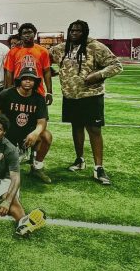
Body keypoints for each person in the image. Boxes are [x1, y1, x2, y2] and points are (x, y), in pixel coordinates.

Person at [49, 20, 123, 186]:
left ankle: (98, 167)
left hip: (91, 95)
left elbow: (116, 65)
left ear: (85, 32)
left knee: (94, 129)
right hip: (70, 95)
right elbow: (44, 58)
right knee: (76, 127)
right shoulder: (62, 48)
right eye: (72, 30)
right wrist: (51, 71)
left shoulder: (96, 46)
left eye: (78, 31)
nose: (74, 33)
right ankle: (79, 159)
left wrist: (98, 75)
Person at [0, 67, 53, 183]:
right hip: (7, 132)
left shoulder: (39, 98)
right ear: (19, 80)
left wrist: (35, 133)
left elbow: (42, 122)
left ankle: (37, 167)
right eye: (25, 79)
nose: (28, 81)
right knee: (0, 171)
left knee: (46, 136)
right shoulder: (6, 94)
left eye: (31, 79)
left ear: (36, 82)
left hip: (27, 133)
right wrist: (0, 135)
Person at [4, 23, 53, 103]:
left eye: (30, 32)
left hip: (38, 91)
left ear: (34, 34)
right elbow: (9, 72)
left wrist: (49, 92)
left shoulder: (43, 51)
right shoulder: (13, 52)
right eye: (24, 33)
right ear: (20, 36)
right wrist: (9, 91)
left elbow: (47, 71)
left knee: (39, 115)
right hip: (18, 91)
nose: (27, 35)